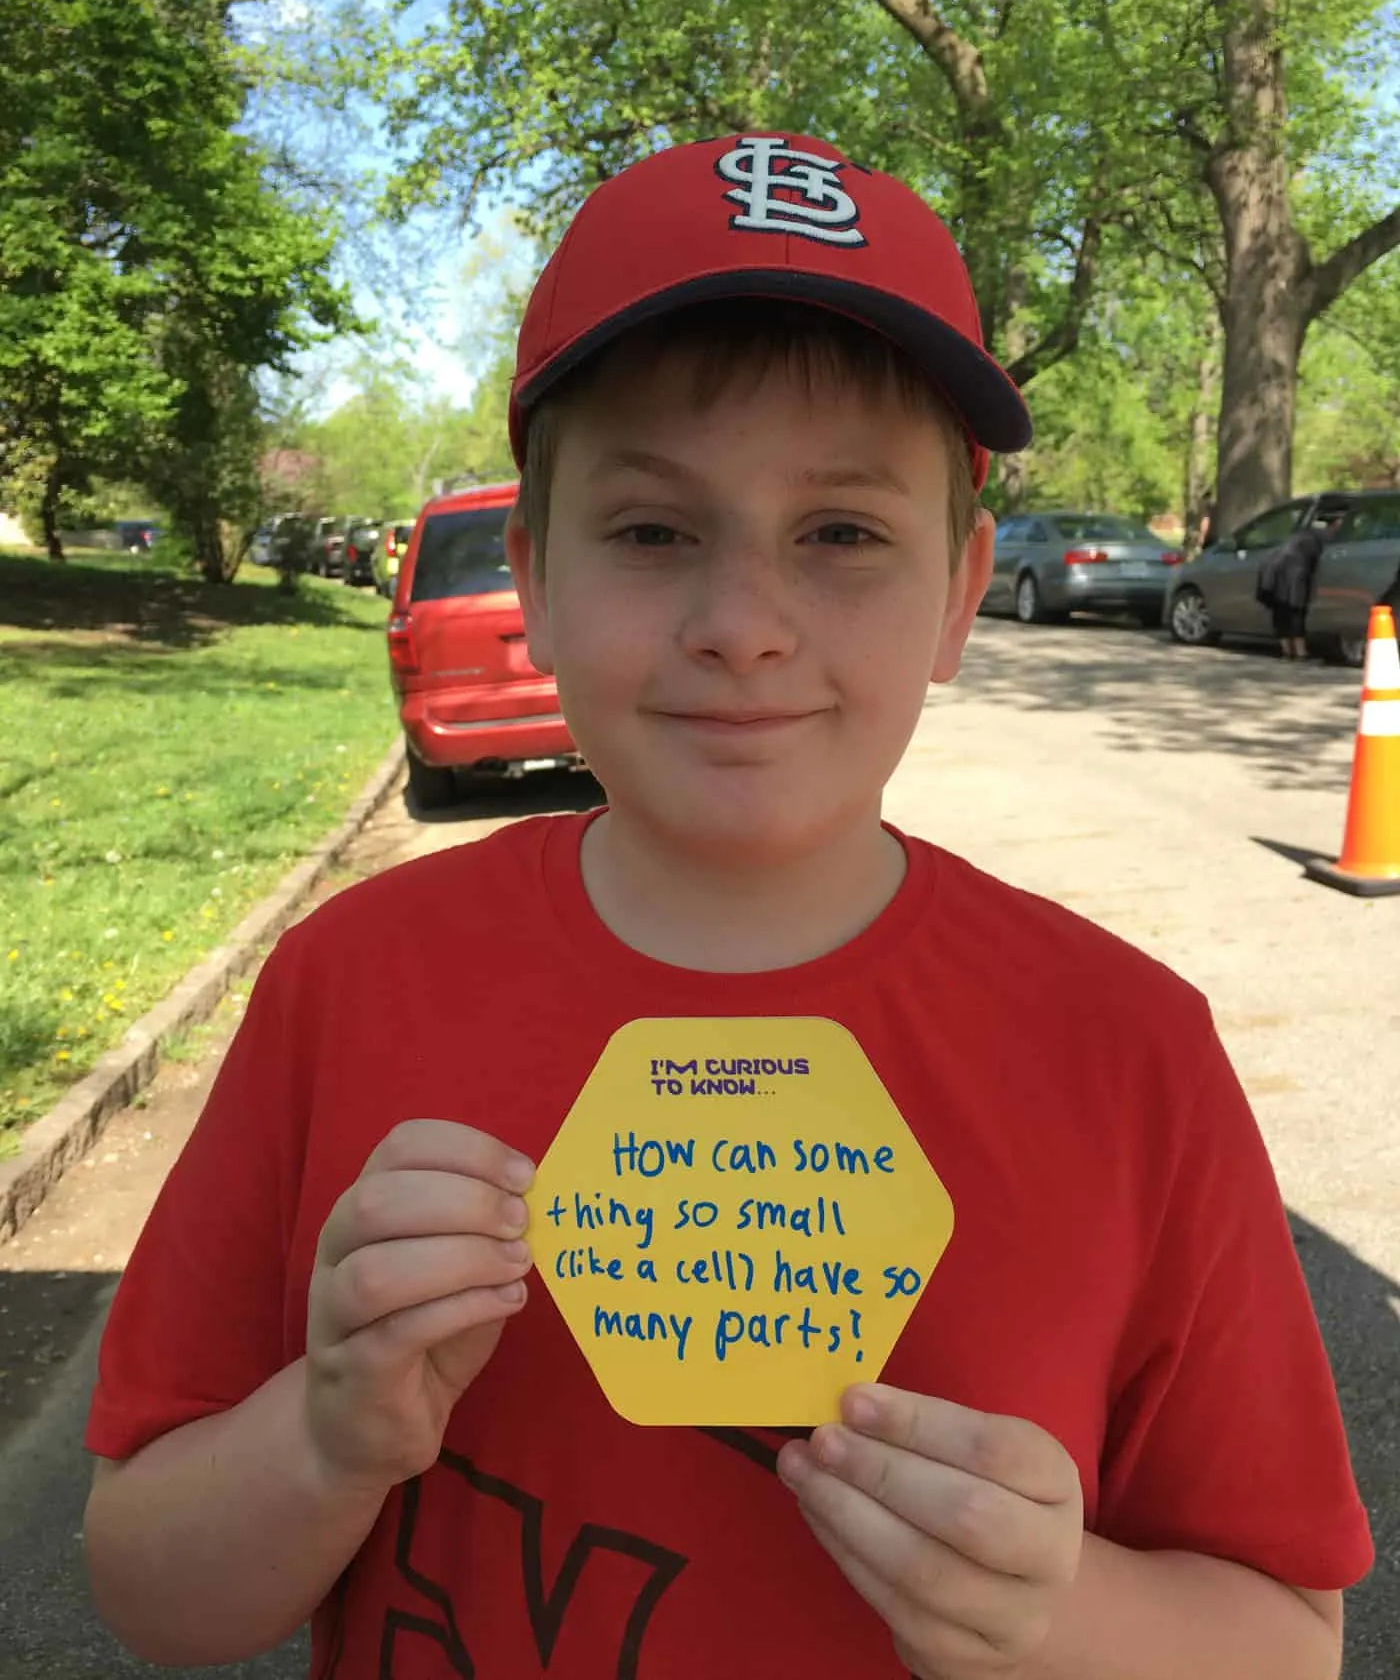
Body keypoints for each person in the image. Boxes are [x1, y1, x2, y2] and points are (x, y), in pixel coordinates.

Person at [82, 135, 1371, 1680]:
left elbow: (1288, 1633)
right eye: (650, 529)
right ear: (538, 585)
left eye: (841, 532)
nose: (744, 625)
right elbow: (153, 1593)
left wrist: (1060, 1616)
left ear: (961, 593)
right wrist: (326, 1431)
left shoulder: (1126, 1051)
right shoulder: (347, 983)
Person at [1256, 517, 1331, 659]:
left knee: (1280, 610)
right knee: (1296, 610)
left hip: (1272, 568)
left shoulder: (1299, 533)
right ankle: (1300, 652)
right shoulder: (1323, 536)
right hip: (1294, 572)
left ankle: (1287, 651)